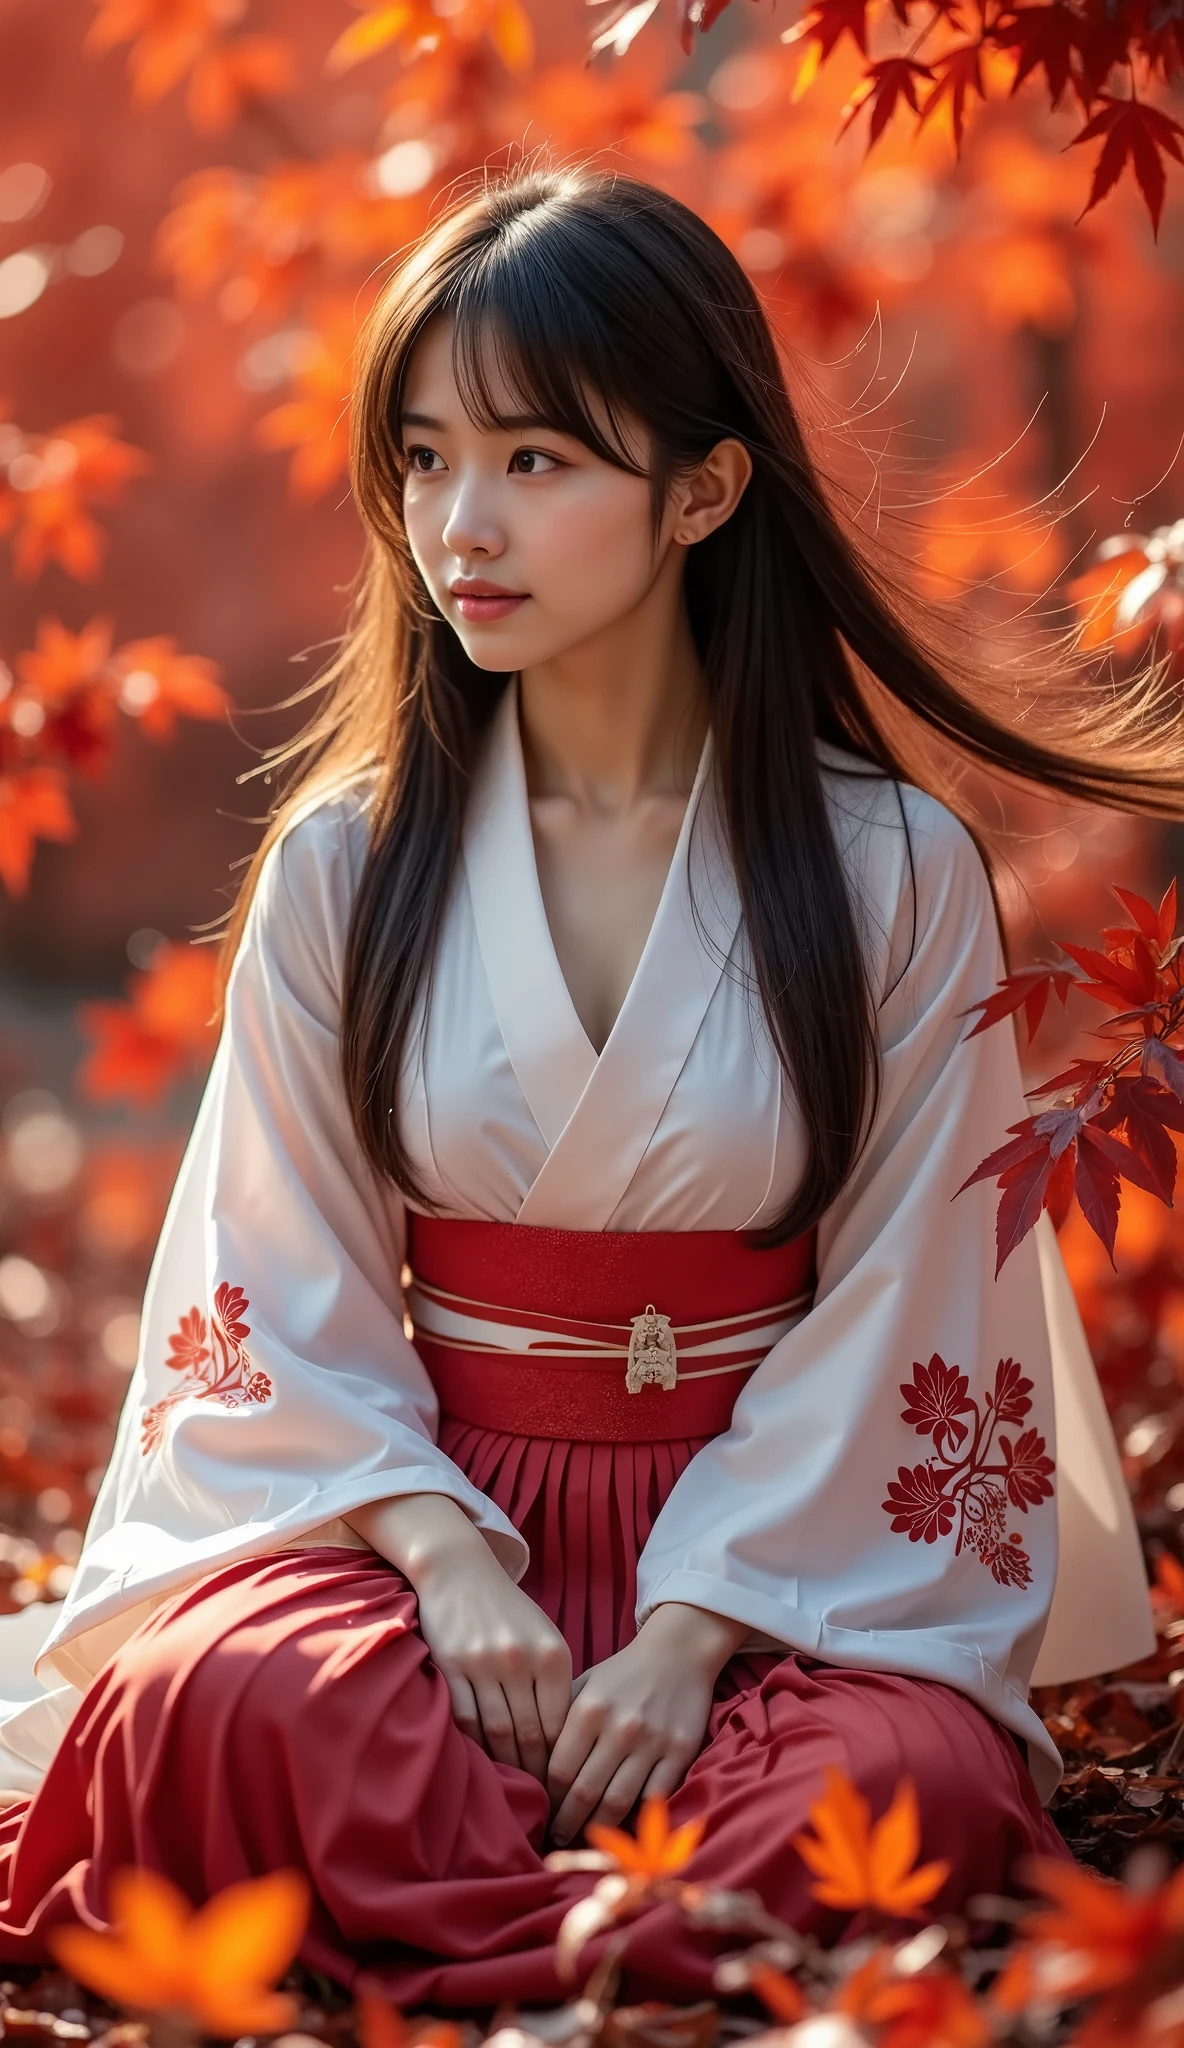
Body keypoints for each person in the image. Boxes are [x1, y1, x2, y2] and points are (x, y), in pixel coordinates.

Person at [0, 166, 1165, 2007]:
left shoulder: (894, 871)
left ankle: (486, 1917)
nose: (463, 523)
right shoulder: (345, 862)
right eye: (428, 456)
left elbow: (910, 1314)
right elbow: (273, 1281)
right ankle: (598, 1929)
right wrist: (449, 1574)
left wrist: (696, 1634)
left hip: (784, 1546)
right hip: (420, 1520)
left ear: (704, 488)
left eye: (537, 461)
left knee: (905, 1790)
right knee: (215, 1712)